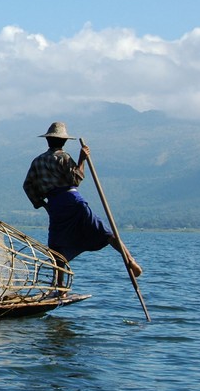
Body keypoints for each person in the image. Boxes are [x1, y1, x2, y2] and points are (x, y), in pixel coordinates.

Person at [23, 122, 142, 287]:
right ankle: (130, 260)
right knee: (105, 232)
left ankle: (60, 287)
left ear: (48, 140)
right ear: (63, 142)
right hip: (72, 200)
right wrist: (82, 159)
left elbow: (27, 186)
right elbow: (76, 180)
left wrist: (43, 204)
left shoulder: (38, 161)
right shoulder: (63, 158)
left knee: (57, 246)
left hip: (56, 206)